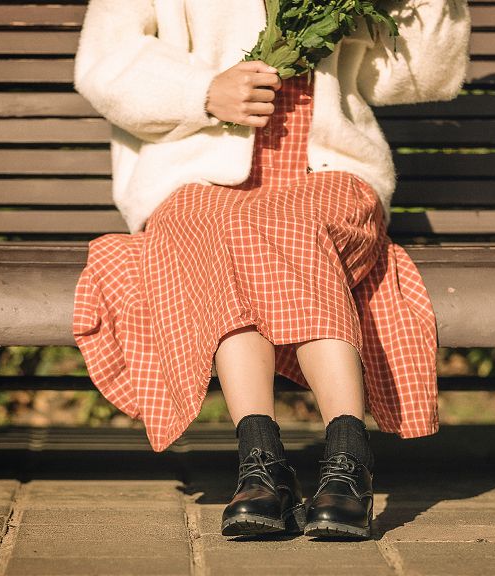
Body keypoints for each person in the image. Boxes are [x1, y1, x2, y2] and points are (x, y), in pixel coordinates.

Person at [71, 0, 470, 540]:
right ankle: (262, 463)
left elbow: (416, 77)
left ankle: (348, 460)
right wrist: (203, 92)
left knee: (289, 224)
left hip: (326, 176)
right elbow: (105, 61)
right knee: (213, 227)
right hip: (197, 181)